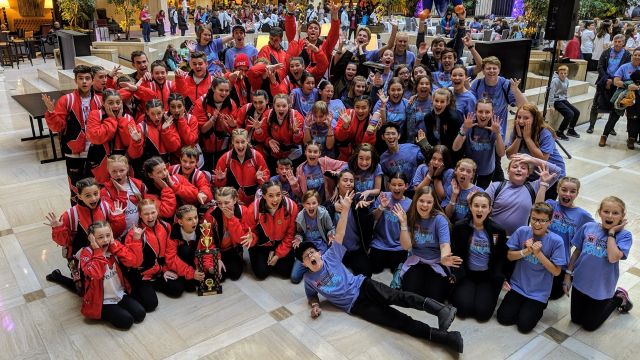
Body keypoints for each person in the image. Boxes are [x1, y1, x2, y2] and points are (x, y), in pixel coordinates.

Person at [296, 190, 464, 353]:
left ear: (319, 253)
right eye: (306, 256)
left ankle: (441, 310)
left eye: (312, 252)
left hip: (363, 285)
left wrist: (346, 209)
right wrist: (315, 305)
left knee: (399, 297)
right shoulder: (309, 279)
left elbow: (340, 233)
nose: (310, 256)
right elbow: (311, 295)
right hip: (356, 306)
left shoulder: (330, 256)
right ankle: (445, 338)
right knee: (398, 321)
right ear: (304, 263)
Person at [45, 177, 126, 294]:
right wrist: (58, 229)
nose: (93, 198)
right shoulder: (70, 215)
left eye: (95, 193)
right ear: (79, 196)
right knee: (83, 291)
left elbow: (116, 233)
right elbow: (64, 242)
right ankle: (58, 277)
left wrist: (118, 218)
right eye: (88, 195)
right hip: (81, 256)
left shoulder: (106, 207)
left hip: (105, 252)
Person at [565, 196, 633, 331]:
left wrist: (612, 233)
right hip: (580, 283)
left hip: (601, 288)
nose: (610, 216)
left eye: (615, 213)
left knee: (589, 326)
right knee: (575, 320)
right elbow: (576, 253)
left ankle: (618, 298)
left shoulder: (625, 236)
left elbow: (613, 258)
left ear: (622, 216)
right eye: (606, 211)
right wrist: (567, 276)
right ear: (599, 212)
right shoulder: (588, 227)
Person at [496, 202, 566, 333]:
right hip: (518, 286)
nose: (537, 224)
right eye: (534, 219)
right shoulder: (522, 231)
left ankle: (537, 306)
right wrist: (526, 251)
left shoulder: (557, 241)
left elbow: (556, 271)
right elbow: (510, 256)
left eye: (542, 221)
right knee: (503, 319)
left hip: (538, 293)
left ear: (549, 222)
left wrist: (538, 254)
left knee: (524, 326)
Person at [43, 65, 102, 205]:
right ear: (76, 80)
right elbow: (57, 127)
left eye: (87, 78)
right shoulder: (66, 100)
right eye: (80, 78)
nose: (84, 82)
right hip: (74, 154)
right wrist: (51, 113)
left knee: (95, 189)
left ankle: (96, 221)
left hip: (95, 152)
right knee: (76, 190)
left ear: (92, 80)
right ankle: (78, 220)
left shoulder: (100, 100)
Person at [450, 192, 508, 322]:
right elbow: (456, 254)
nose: (480, 210)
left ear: (489, 209)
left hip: (487, 277)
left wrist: (500, 277)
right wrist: (456, 275)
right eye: (476, 205)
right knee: (463, 310)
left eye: (484, 206)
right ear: (470, 207)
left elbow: (500, 258)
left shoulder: (498, 231)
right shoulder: (460, 227)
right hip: (467, 275)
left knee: (482, 314)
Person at [78, 221, 145, 329]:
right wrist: (97, 249)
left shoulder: (113, 245)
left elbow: (133, 262)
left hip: (119, 294)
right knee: (127, 322)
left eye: (108, 235)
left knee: (140, 314)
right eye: (100, 237)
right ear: (92, 238)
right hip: (103, 301)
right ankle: (102, 312)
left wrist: (114, 245)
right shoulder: (86, 253)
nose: (105, 240)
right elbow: (96, 274)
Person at [124, 199, 185, 311]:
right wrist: (136, 240)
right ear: (140, 215)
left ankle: (153, 285)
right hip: (142, 274)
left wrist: (165, 269)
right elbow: (132, 262)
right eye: (146, 214)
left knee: (178, 289)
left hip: (158, 271)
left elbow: (169, 254)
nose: (150, 217)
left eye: (153, 212)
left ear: (157, 211)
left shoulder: (166, 226)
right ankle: (138, 289)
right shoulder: (133, 234)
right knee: (151, 305)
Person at [245, 180, 298, 280]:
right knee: (261, 274)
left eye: (278, 194)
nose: (275, 199)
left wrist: (278, 254)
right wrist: (252, 239)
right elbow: (251, 234)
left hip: (281, 242)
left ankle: (273, 257)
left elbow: (290, 234)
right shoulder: (253, 209)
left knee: (286, 273)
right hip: (262, 244)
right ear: (264, 196)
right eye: (270, 195)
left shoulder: (291, 207)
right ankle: (264, 258)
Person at [451, 99, 505, 188]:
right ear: (475, 111)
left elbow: (501, 153)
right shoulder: (469, 124)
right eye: (480, 111)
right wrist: (464, 129)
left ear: (492, 113)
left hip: (487, 171)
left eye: (487, 112)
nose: (483, 115)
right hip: (468, 170)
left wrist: (497, 133)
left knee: (479, 193)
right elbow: (455, 148)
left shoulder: (495, 126)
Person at [213, 128, 270, 205]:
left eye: (243, 142)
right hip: (233, 201)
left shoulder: (257, 156)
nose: (240, 145)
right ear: (232, 142)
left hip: (253, 201)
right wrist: (221, 180)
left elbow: (266, 183)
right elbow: (219, 186)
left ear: (247, 140)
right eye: (237, 142)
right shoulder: (225, 158)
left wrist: (260, 179)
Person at [290, 190, 336, 284]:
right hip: (307, 249)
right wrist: (298, 239)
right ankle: (311, 268)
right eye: (308, 203)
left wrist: (331, 235)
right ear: (303, 204)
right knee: (294, 278)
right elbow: (299, 233)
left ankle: (315, 270)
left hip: (321, 247)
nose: (311, 206)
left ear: (318, 204)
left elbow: (330, 229)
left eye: (314, 203)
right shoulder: (300, 217)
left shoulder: (324, 214)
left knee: (328, 274)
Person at [588, 34, 630, 134]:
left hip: (617, 84)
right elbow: (600, 66)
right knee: (595, 104)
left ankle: (610, 127)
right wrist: (607, 79)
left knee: (614, 107)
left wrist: (613, 80)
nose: (617, 44)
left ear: (623, 43)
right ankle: (591, 126)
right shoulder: (606, 52)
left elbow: (625, 69)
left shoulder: (627, 55)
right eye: (615, 41)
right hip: (603, 81)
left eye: (619, 42)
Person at [600, 47, 640, 148]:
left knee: (633, 119)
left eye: (639, 55)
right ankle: (604, 136)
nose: (637, 57)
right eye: (635, 55)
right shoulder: (624, 67)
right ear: (632, 56)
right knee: (613, 117)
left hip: (636, 97)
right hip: (621, 95)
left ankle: (631, 140)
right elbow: (616, 81)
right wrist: (627, 86)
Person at [549, 65, 581, 140]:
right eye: (561, 73)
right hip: (556, 100)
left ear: (567, 74)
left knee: (576, 112)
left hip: (563, 100)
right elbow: (551, 93)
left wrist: (566, 100)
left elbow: (565, 92)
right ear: (558, 73)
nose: (563, 75)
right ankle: (559, 132)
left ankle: (571, 130)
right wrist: (551, 105)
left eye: (565, 73)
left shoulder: (566, 80)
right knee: (570, 114)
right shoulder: (555, 81)